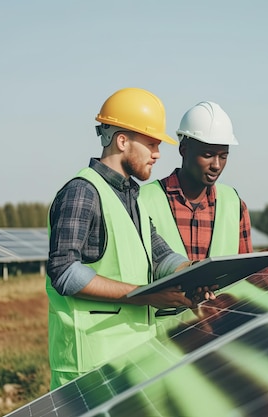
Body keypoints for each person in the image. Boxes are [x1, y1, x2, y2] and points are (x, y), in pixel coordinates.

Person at [45, 87, 213, 390]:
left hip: (132, 364)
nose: (158, 153)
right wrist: (144, 295)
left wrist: (198, 274)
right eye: (151, 143)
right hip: (91, 372)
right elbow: (64, 272)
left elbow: (161, 256)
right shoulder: (82, 192)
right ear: (122, 140)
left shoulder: (130, 197)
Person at [139, 101, 268, 326]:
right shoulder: (143, 200)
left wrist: (265, 265)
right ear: (183, 149)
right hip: (156, 340)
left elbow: (243, 278)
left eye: (223, 156)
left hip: (219, 334)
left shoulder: (233, 203)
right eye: (208, 155)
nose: (216, 165)